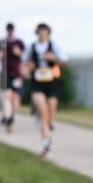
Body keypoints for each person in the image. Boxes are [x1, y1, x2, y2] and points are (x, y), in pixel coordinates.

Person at [23, 23, 68, 157]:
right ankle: (46, 145)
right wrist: (27, 69)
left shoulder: (54, 47)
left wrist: (53, 58)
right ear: (37, 33)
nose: (42, 34)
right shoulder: (31, 48)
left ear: (48, 33)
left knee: (51, 111)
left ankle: (48, 124)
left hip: (51, 82)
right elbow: (24, 64)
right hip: (37, 82)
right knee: (43, 112)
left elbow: (64, 62)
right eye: (40, 32)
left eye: (45, 32)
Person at [0, 23, 25, 132]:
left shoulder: (19, 43)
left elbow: (25, 56)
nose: (10, 32)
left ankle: (11, 117)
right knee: (7, 96)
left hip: (16, 74)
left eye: (11, 30)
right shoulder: (2, 43)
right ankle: (8, 117)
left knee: (15, 98)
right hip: (5, 74)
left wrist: (19, 53)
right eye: (8, 30)